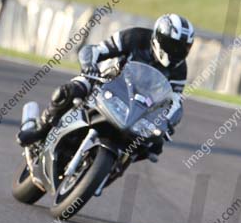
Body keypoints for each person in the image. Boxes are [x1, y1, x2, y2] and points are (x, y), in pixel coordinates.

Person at [17, 13, 195, 155]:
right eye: (172, 45)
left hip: (139, 107)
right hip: (105, 83)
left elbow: (175, 101)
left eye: (182, 48)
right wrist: (89, 67)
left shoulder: (180, 69)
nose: (176, 52)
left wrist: (168, 123)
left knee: (152, 146)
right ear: (159, 38)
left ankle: (115, 167)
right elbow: (95, 50)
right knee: (68, 91)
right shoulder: (135, 36)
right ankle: (41, 129)